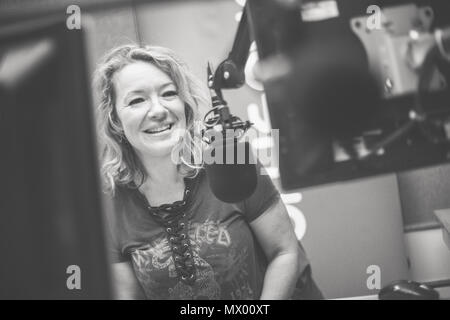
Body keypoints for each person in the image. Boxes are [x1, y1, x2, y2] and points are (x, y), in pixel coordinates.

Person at [93, 44, 322, 300]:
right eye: (136, 100)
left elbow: (284, 252)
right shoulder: (107, 200)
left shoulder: (228, 155)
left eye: (168, 94)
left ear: (185, 104)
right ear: (115, 119)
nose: (158, 111)